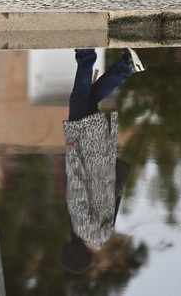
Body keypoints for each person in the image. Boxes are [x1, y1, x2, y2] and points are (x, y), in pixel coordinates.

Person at [59, 47, 144, 273]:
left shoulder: (102, 235)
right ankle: (86, 51)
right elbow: (76, 183)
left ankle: (126, 66)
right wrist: (73, 147)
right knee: (79, 98)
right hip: (85, 150)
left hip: (100, 154)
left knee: (89, 100)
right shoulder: (82, 226)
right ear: (72, 249)